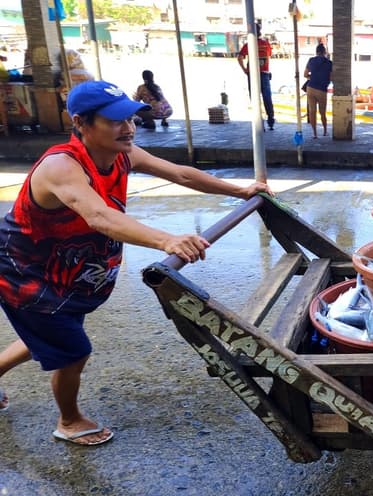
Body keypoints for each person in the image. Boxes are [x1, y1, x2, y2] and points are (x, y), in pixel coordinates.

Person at [0, 80, 272, 444]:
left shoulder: (123, 153)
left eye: (129, 118)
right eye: (115, 121)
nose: (128, 128)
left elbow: (179, 173)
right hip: (25, 272)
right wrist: (166, 240)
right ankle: (69, 421)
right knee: (72, 350)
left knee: (54, 332)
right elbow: (99, 216)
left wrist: (241, 189)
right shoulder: (61, 166)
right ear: (80, 123)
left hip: (64, 269)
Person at [237, 23, 275, 130]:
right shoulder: (266, 44)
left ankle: (259, 123)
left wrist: (245, 69)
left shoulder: (248, 45)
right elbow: (269, 55)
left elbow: (239, 57)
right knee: (267, 97)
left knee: (254, 98)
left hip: (252, 74)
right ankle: (271, 121)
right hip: (264, 73)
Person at [304, 43, 333, 138]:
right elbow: (331, 78)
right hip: (322, 90)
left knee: (312, 111)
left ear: (316, 52)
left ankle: (314, 134)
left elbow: (305, 74)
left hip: (311, 88)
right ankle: (325, 131)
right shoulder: (329, 63)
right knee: (322, 112)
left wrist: (312, 77)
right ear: (325, 52)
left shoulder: (311, 60)